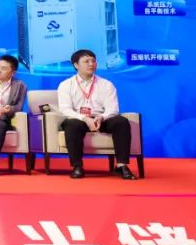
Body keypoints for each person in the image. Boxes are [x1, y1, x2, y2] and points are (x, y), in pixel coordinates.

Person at [57, 49, 137, 180]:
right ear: (76, 65)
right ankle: (77, 166)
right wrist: (85, 118)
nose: (91, 64)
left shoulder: (106, 84)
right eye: (86, 61)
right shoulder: (66, 85)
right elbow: (65, 109)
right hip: (78, 119)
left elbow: (113, 108)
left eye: (93, 61)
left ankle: (121, 165)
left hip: (101, 118)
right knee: (72, 124)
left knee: (121, 121)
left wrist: (102, 117)